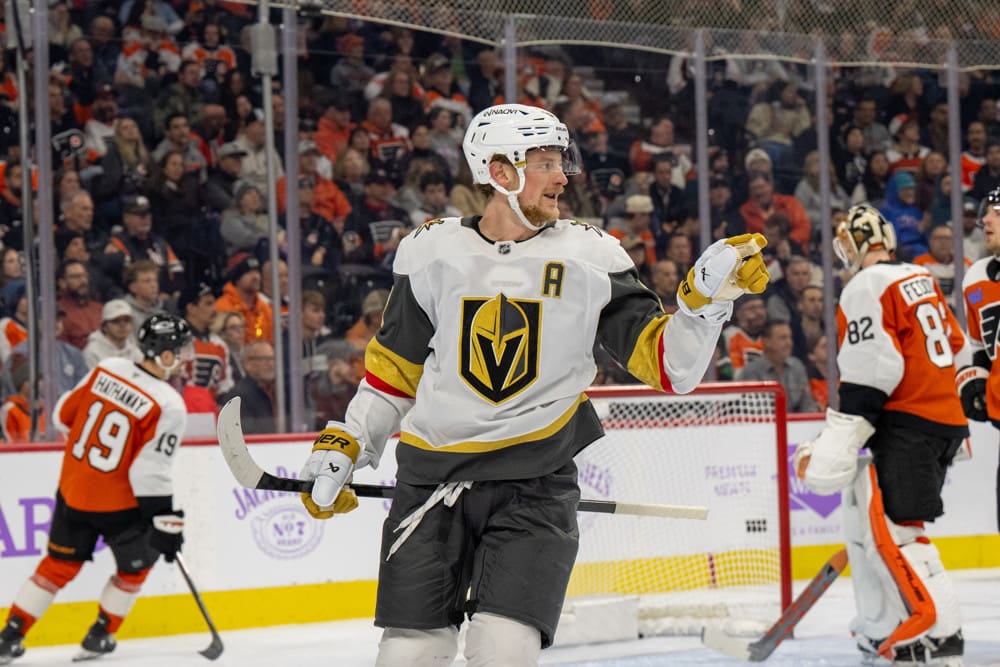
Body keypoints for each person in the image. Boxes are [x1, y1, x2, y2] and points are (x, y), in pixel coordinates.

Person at [294, 103, 769, 666]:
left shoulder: (593, 256)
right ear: (500, 172)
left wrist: (704, 306)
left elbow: (671, 368)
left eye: (561, 162)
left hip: (535, 486)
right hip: (430, 480)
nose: (562, 177)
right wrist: (348, 443)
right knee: (409, 653)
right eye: (545, 163)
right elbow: (393, 372)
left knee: (504, 650)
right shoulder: (430, 251)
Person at [795, 204, 967, 664]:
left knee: (895, 535)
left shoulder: (865, 284)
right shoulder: (921, 276)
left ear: (853, 244)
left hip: (905, 422)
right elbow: (953, 344)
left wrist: (844, 434)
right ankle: (888, 627)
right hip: (942, 420)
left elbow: (875, 367)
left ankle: (936, 632)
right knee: (886, 530)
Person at [0, 314, 191, 663]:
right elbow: (150, 470)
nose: (184, 357)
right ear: (166, 355)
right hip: (120, 505)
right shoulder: (169, 403)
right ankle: (100, 635)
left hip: (73, 490)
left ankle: (9, 637)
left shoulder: (109, 367)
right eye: (180, 350)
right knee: (136, 567)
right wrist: (163, 518)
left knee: (57, 565)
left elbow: (62, 416)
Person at [959, 186, 1000, 532]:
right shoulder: (976, 278)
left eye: (996, 214)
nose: (985, 220)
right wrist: (975, 376)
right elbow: (980, 346)